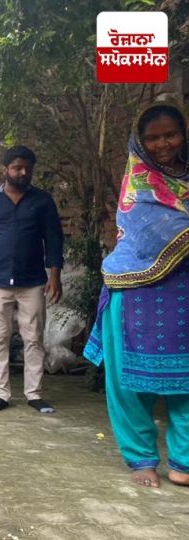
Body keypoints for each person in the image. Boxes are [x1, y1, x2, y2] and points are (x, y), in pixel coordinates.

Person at [84, 101, 189, 489]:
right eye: (153, 137)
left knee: (187, 379)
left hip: (185, 290)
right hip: (136, 288)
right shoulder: (138, 185)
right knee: (130, 380)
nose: (163, 144)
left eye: (171, 135)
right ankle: (140, 458)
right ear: (140, 141)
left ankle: (184, 462)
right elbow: (146, 231)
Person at [0, 146, 63, 413]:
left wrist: (54, 275)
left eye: (27, 168)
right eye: (17, 167)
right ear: (5, 170)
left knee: (33, 338)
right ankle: (1, 394)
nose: (23, 172)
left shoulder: (42, 201)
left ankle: (34, 394)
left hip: (32, 281)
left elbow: (54, 239)